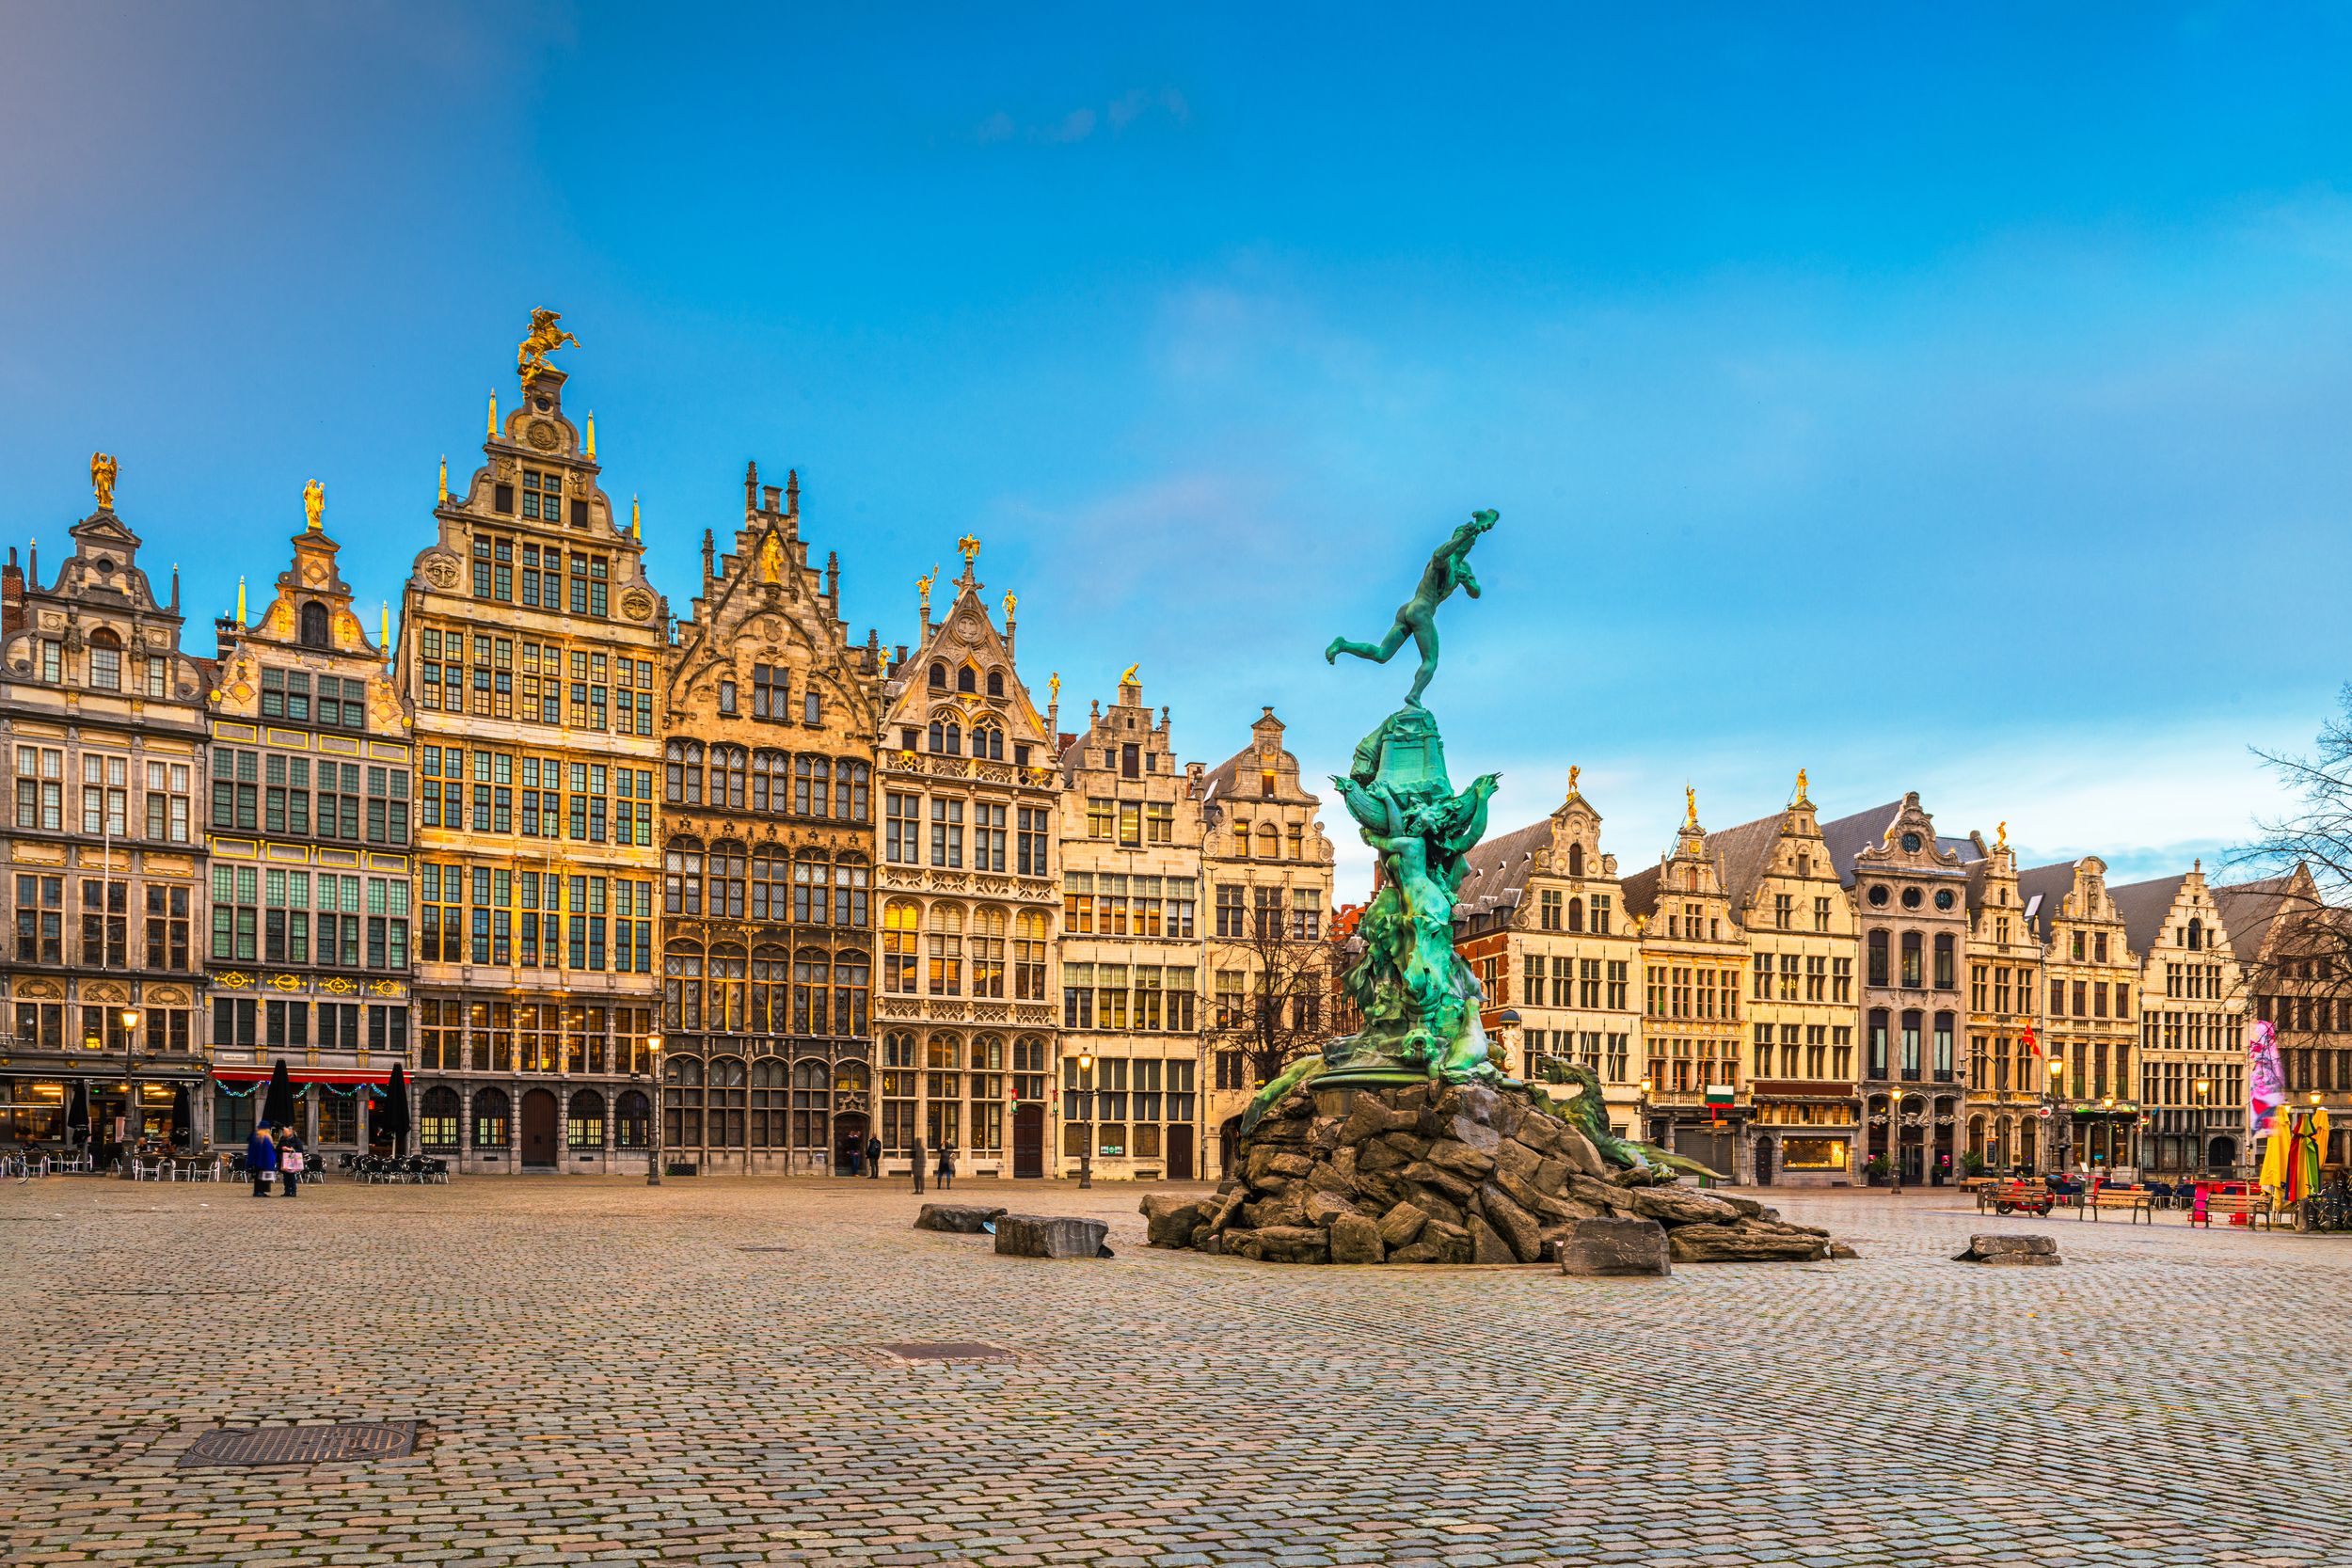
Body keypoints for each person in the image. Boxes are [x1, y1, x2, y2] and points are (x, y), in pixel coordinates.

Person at [246, 1124, 278, 1198]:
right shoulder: (263, 1138)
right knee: (260, 1177)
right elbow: (267, 1151)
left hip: (259, 1161)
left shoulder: (258, 1137)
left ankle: (260, 1191)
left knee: (259, 1176)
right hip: (262, 1161)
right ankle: (259, 1191)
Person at [278, 1127, 305, 1197]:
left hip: (292, 1161)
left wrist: (290, 1149)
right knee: (285, 1177)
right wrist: (281, 1148)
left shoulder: (296, 1140)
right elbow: (277, 1148)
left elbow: (300, 1150)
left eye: (285, 1132)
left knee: (291, 1176)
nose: (284, 1133)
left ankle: (293, 1191)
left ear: (290, 1132)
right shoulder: (282, 1139)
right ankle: (287, 1191)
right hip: (284, 1160)